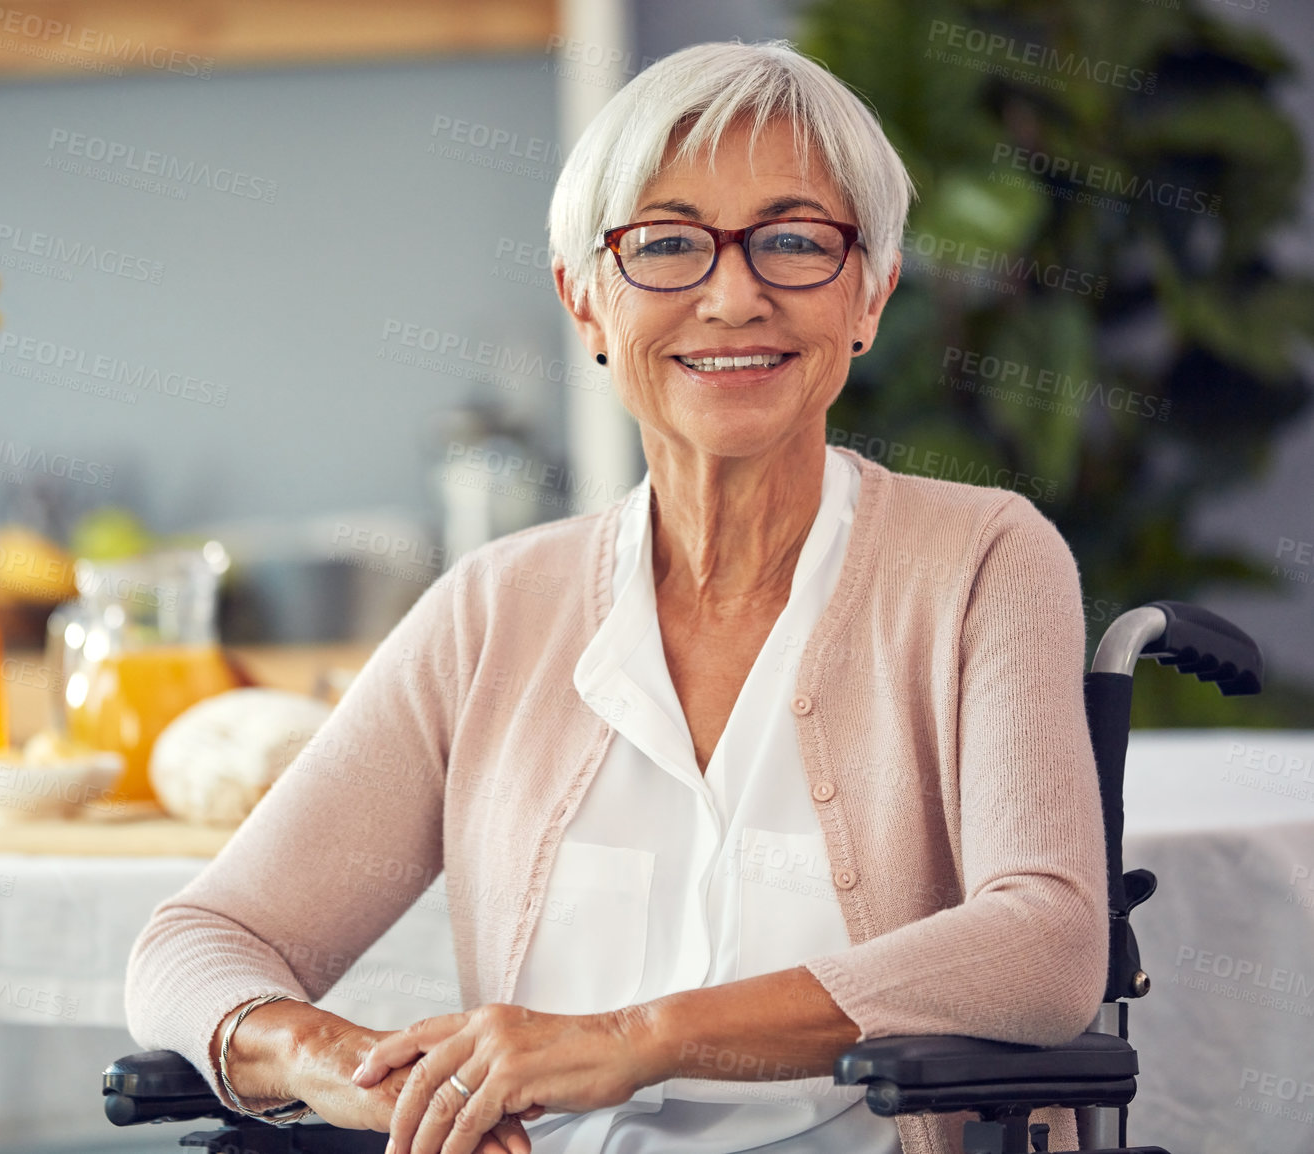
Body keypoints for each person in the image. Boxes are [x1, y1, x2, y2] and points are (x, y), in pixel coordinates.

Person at [126, 38, 1109, 1154]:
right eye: (667, 246)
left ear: (870, 291)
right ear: (586, 303)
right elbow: (198, 940)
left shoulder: (982, 559)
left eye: (794, 241)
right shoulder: (494, 608)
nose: (733, 295)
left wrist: (638, 1035)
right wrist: (358, 1070)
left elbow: (1046, 943)